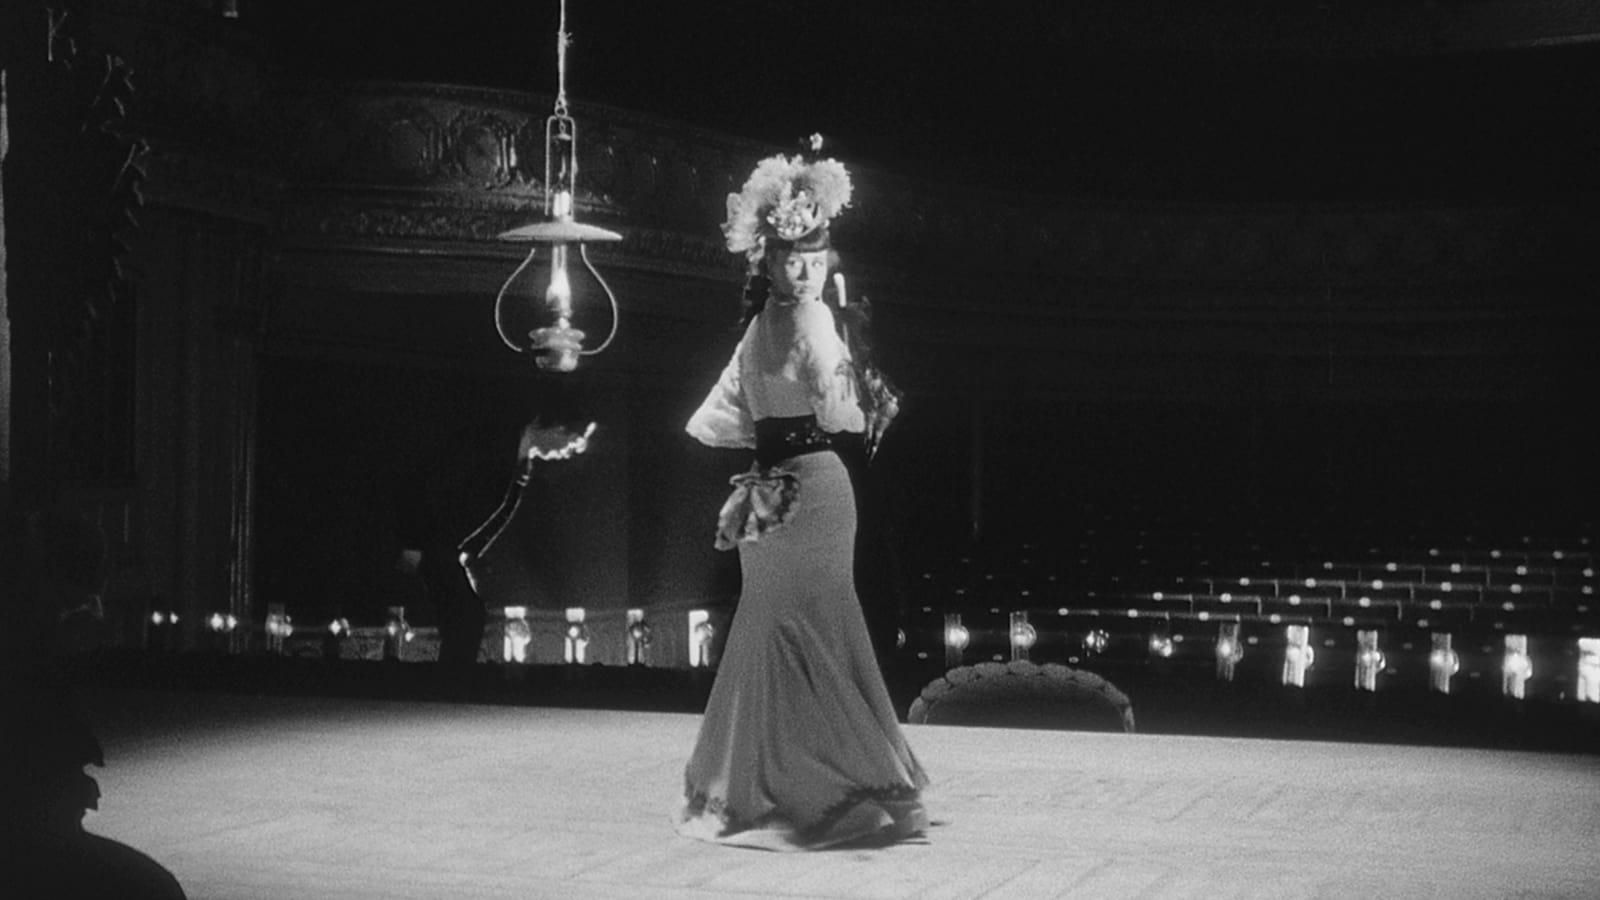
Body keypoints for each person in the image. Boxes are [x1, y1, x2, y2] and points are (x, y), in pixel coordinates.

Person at [675, 142, 928, 851]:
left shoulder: (777, 324)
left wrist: (851, 381)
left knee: (795, 627)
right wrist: (869, 391)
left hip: (792, 489)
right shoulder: (792, 323)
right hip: (795, 487)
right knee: (784, 628)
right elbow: (840, 416)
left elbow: (738, 420)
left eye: (816, 259)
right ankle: (813, 779)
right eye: (793, 258)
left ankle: (787, 781)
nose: (807, 272)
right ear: (769, 259)